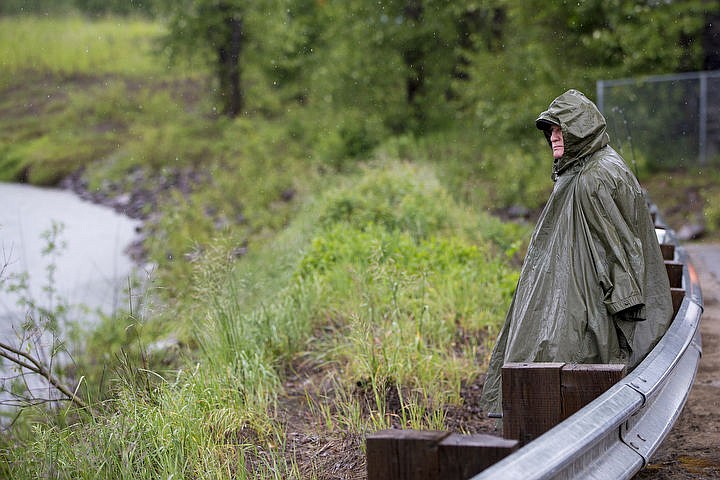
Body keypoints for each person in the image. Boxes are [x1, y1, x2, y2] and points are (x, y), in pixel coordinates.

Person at [479, 89, 673, 416]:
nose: (553, 137)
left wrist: (615, 326)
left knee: (547, 393)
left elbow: (619, 258)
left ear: (578, 129)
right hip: (575, 303)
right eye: (550, 130)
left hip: (581, 313)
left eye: (559, 129)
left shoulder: (594, 177)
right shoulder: (587, 168)